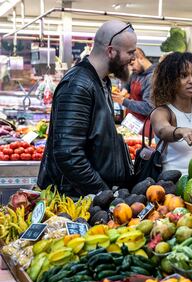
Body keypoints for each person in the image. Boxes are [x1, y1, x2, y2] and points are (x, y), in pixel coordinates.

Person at [37, 20, 137, 197]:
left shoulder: (101, 81)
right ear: (111, 51)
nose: (133, 58)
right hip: (73, 199)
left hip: (87, 195)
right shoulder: (78, 85)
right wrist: (102, 193)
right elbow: (68, 154)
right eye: (130, 52)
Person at [150, 52, 192, 175]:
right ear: (169, 80)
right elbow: (162, 130)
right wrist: (180, 131)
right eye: (184, 76)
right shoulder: (162, 112)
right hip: (171, 186)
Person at [112, 47, 156, 122]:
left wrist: (123, 101)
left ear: (140, 57)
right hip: (132, 120)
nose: (131, 68)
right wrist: (123, 92)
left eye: (132, 64)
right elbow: (127, 85)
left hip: (144, 124)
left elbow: (148, 108)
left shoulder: (152, 78)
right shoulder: (137, 72)